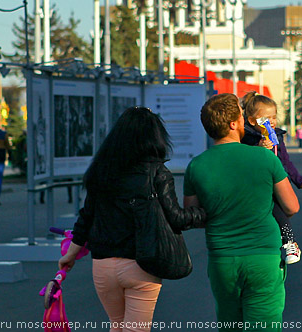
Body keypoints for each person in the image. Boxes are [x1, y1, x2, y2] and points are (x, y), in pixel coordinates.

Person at [58, 107, 206, 331]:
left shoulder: (101, 170)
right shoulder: (157, 172)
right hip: (141, 265)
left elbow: (86, 216)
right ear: (155, 137)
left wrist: (70, 254)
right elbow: (176, 218)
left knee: (116, 326)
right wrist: (206, 213)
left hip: (102, 266)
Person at [184, 93, 299, 329]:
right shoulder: (264, 157)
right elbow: (291, 206)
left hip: (223, 260)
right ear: (234, 124)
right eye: (241, 114)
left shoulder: (197, 165)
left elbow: (192, 215)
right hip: (263, 258)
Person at [240, 92, 302, 265]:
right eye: (265, 118)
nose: (271, 122)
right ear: (252, 121)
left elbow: (286, 161)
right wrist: (258, 147)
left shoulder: (277, 136)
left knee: (280, 208)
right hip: (256, 182)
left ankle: (288, 241)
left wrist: (299, 180)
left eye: (273, 117)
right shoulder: (246, 136)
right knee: (270, 210)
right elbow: (242, 159)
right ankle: (283, 241)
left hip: (277, 181)